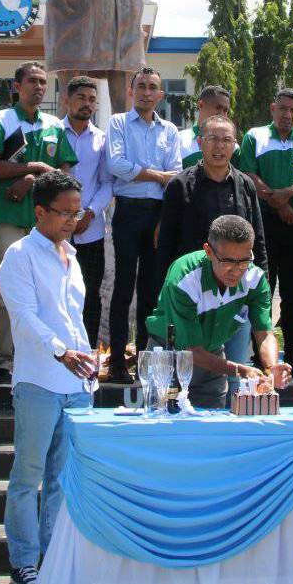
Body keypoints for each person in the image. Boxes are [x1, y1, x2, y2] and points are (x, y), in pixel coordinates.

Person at [0, 171, 98, 584]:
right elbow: (24, 317)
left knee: (61, 478)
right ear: (39, 212)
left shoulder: (71, 256)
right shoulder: (19, 255)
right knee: (28, 476)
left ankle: (52, 556)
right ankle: (24, 560)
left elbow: (74, 319)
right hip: (39, 380)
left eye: (78, 212)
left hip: (77, 384)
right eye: (65, 213)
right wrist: (61, 351)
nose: (74, 220)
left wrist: (89, 358)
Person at [0, 61, 77, 385]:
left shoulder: (54, 125)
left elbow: (64, 174)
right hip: (9, 217)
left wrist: (32, 176)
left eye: (42, 82)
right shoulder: (1, 121)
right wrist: (32, 168)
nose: (38, 87)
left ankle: (47, 355)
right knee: (10, 289)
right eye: (32, 81)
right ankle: (5, 362)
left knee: (50, 289)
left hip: (47, 221)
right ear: (16, 87)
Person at [156, 115, 266, 391]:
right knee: (189, 379)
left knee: (238, 377)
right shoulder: (180, 185)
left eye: (226, 140)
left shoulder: (245, 186)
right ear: (199, 142)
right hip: (192, 296)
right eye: (213, 139)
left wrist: (261, 281)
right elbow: (165, 245)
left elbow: (259, 241)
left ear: (235, 146)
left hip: (235, 296)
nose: (219, 147)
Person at [147, 215, 292, 408]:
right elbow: (191, 350)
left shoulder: (255, 279)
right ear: (208, 251)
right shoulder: (185, 278)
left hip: (213, 361)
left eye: (244, 261)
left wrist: (271, 366)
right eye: (227, 261)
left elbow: (264, 334)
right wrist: (240, 370)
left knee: (212, 432)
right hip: (168, 359)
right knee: (166, 431)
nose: (236, 270)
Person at [105, 66, 182, 380]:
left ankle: (146, 362)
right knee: (123, 288)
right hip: (127, 210)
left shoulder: (170, 131)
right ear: (131, 91)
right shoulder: (118, 123)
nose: (147, 92)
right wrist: (156, 174)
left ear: (160, 94)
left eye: (153, 87)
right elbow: (117, 165)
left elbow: (175, 174)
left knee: (151, 291)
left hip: (157, 214)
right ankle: (118, 363)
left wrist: (159, 180)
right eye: (141, 86)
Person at [237, 87, 293, 357]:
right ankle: (258, 357)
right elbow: (249, 174)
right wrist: (280, 202)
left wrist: (290, 194)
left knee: (292, 296)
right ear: (273, 108)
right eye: (283, 108)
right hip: (263, 225)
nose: (288, 114)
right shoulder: (255, 136)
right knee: (262, 291)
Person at [61, 76, 112, 348]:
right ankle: (59, 352)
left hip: (89, 232)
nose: (87, 104)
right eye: (81, 98)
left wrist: (88, 214)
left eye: (92, 100)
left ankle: (88, 352)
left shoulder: (102, 140)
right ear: (66, 100)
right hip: (56, 232)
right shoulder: (53, 133)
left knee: (90, 294)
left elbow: (107, 183)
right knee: (56, 292)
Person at [179, 85, 232, 168]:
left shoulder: (232, 146)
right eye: (218, 108)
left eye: (225, 110)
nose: (222, 115)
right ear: (200, 105)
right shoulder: (179, 140)